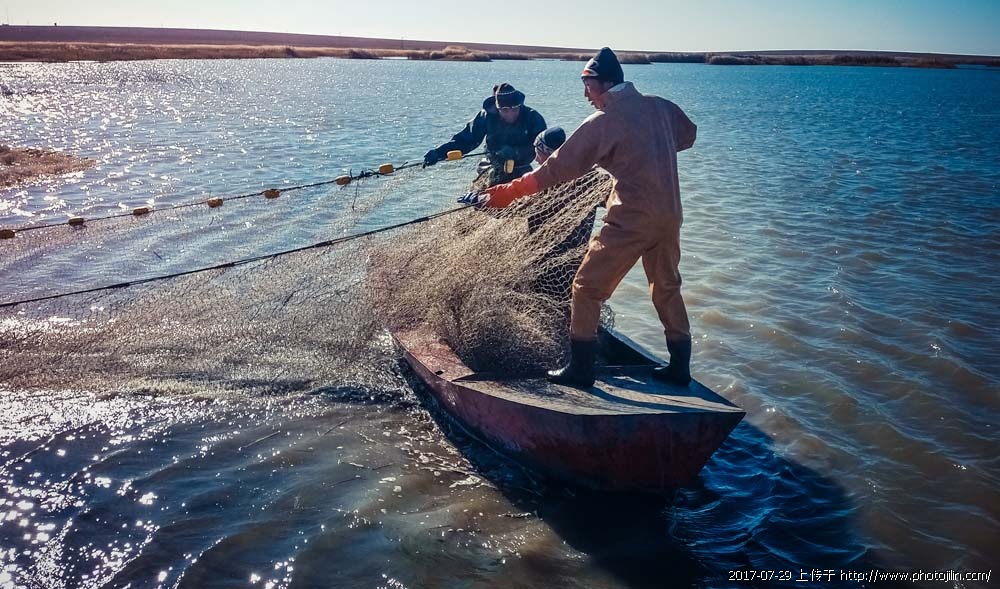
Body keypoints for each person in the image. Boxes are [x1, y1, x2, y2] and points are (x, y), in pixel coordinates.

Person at [482, 47, 698, 389]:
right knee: (667, 287)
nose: (585, 95)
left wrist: (507, 192)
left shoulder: (603, 121)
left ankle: (581, 371)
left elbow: (555, 169)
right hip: (671, 214)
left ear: (606, 83)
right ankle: (680, 368)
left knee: (586, 288)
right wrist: (645, 150)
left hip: (632, 217)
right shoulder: (661, 106)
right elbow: (688, 135)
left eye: (588, 85)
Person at [423, 83, 547, 187]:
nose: (510, 114)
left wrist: (517, 152)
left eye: (514, 109)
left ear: (520, 105)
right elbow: (466, 140)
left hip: (521, 166)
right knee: (488, 184)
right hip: (492, 163)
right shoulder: (486, 116)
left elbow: (543, 148)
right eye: (505, 110)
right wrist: (439, 152)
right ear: (497, 108)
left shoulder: (533, 117)